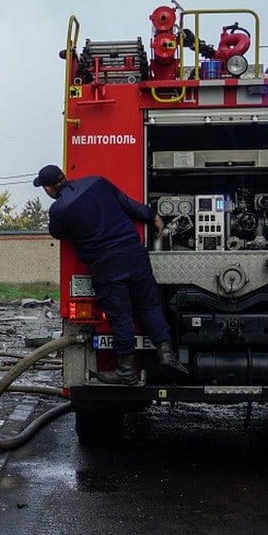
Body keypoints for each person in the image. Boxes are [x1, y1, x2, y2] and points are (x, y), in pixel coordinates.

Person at [33, 164, 188, 384]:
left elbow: (57, 233)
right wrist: (152, 216)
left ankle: (126, 371)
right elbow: (127, 204)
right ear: (64, 176)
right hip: (134, 253)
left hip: (106, 264)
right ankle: (166, 354)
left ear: (48, 189)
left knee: (121, 315)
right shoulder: (97, 181)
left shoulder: (59, 210)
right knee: (149, 306)